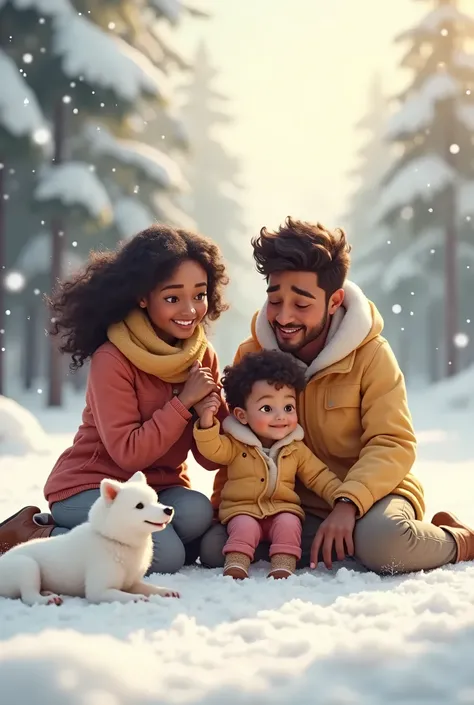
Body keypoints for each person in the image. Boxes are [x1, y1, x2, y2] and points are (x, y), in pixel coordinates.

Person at [200, 217, 474, 574]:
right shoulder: (252, 356)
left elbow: (393, 442)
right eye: (275, 300)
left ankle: (458, 539)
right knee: (214, 548)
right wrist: (225, 509)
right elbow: (240, 445)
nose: (284, 317)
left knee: (384, 544)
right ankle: (341, 544)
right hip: (290, 504)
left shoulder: (372, 353)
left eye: (301, 304)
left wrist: (348, 503)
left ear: (334, 301)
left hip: (373, 496)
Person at [0, 224, 229, 574]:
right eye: (172, 298)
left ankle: (121, 541)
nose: (190, 310)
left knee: (197, 510)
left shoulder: (201, 356)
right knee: (164, 556)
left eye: (199, 295)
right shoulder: (114, 357)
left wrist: (209, 418)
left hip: (157, 489)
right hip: (93, 485)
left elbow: (211, 459)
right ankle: (36, 535)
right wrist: (183, 404)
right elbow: (128, 453)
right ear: (143, 297)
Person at [193, 350, 342, 580]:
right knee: (244, 526)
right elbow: (213, 449)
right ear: (242, 416)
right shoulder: (236, 443)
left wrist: (341, 498)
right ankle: (237, 563)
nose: (281, 417)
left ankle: (283, 564)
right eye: (267, 409)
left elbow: (318, 476)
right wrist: (206, 420)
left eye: (288, 408)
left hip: (282, 508)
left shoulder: (295, 448)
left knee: (289, 524)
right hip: (242, 509)